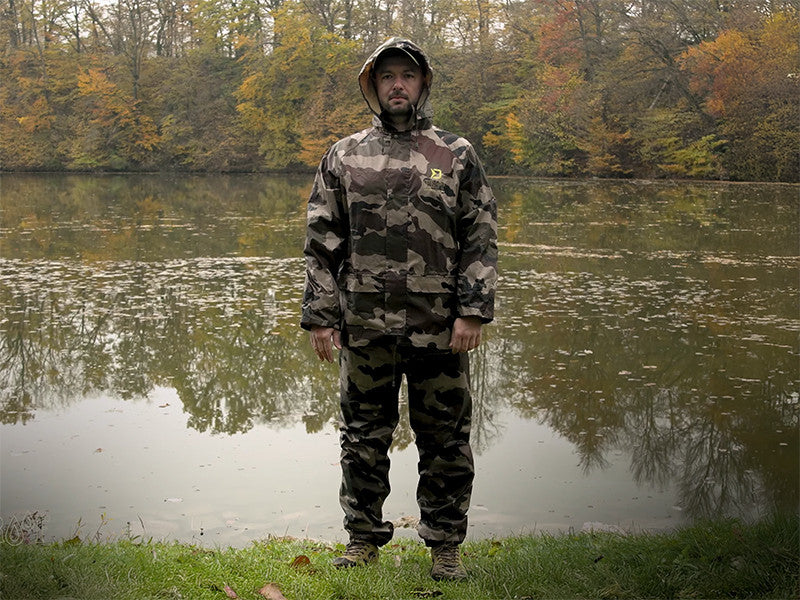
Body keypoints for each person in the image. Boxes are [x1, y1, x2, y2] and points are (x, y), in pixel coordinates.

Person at [300, 37, 497, 582]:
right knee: (362, 437)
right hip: (365, 326)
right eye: (387, 76)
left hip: (439, 326)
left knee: (445, 439)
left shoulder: (455, 154)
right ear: (373, 85)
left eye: (407, 75)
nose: (397, 85)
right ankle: (363, 539)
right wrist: (321, 315)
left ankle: (445, 545)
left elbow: (480, 235)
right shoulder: (345, 155)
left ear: (422, 83)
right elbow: (321, 240)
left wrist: (472, 310)